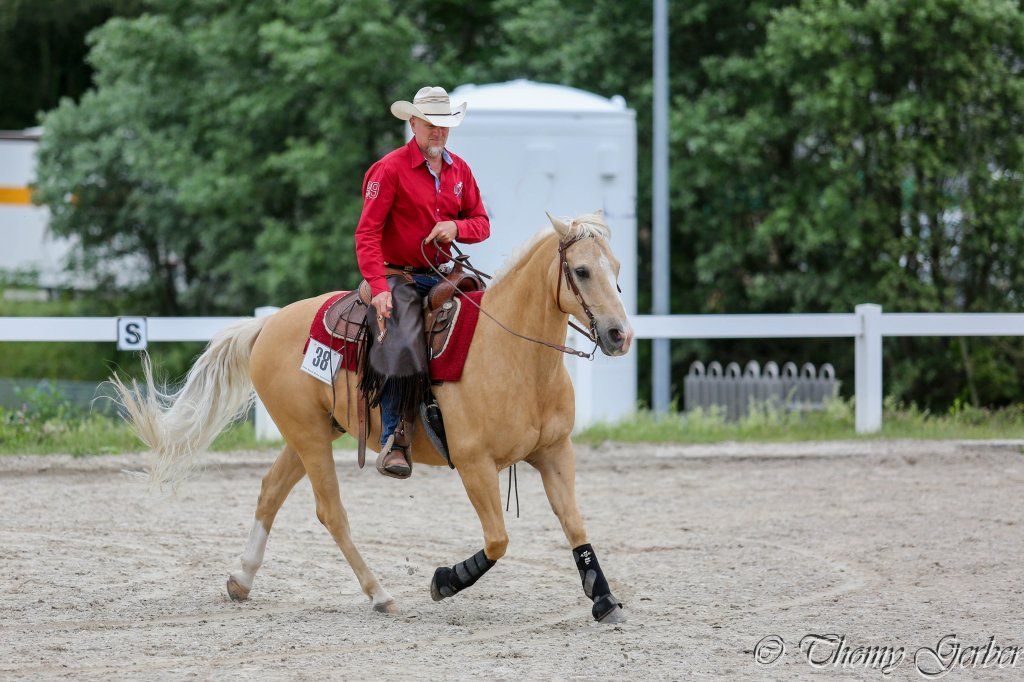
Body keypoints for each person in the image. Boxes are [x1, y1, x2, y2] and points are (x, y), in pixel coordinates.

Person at [354, 85, 490, 479]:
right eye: (431, 124)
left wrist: (456, 226)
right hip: (399, 274)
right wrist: (379, 288)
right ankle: (395, 438)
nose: (438, 132)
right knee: (404, 332)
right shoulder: (390, 169)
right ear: (413, 122)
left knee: (484, 313)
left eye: (444, 125)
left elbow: (481, 224)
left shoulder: (459, 170)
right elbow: (367, 234)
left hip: (443, 274)